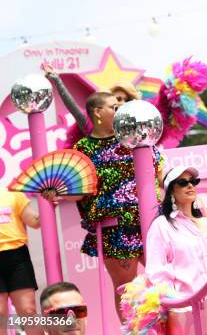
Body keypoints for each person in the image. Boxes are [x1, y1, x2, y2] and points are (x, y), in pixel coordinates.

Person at [43, 92, 164, 319]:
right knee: (126, 289)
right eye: (114, 107)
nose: (121, 111)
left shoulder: (136, 137)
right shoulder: (84, 149)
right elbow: (77, 193)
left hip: (151, 222)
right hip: (114, 228)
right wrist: (56, 193)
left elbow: (161, 176)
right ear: (98, 113)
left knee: (165, 280)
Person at [120, 166, 207, 333]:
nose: (190, 186)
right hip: (184, 312)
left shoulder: (205, 222)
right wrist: (174, 309)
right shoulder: (161, 225)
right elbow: (157, 273)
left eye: (193, 182)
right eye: (183, 182)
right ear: (171, 191)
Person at [42, 63, 140, 149]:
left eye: (127, 100)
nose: (123, 103)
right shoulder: (91, 128)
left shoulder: (135, 130)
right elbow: (72, 107)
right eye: (118, 99)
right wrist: (57, 80)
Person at [0, 190, 40, 335]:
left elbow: (34, 221)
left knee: (28, 311)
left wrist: (48, 207)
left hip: (17, 258)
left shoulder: (13, 195)